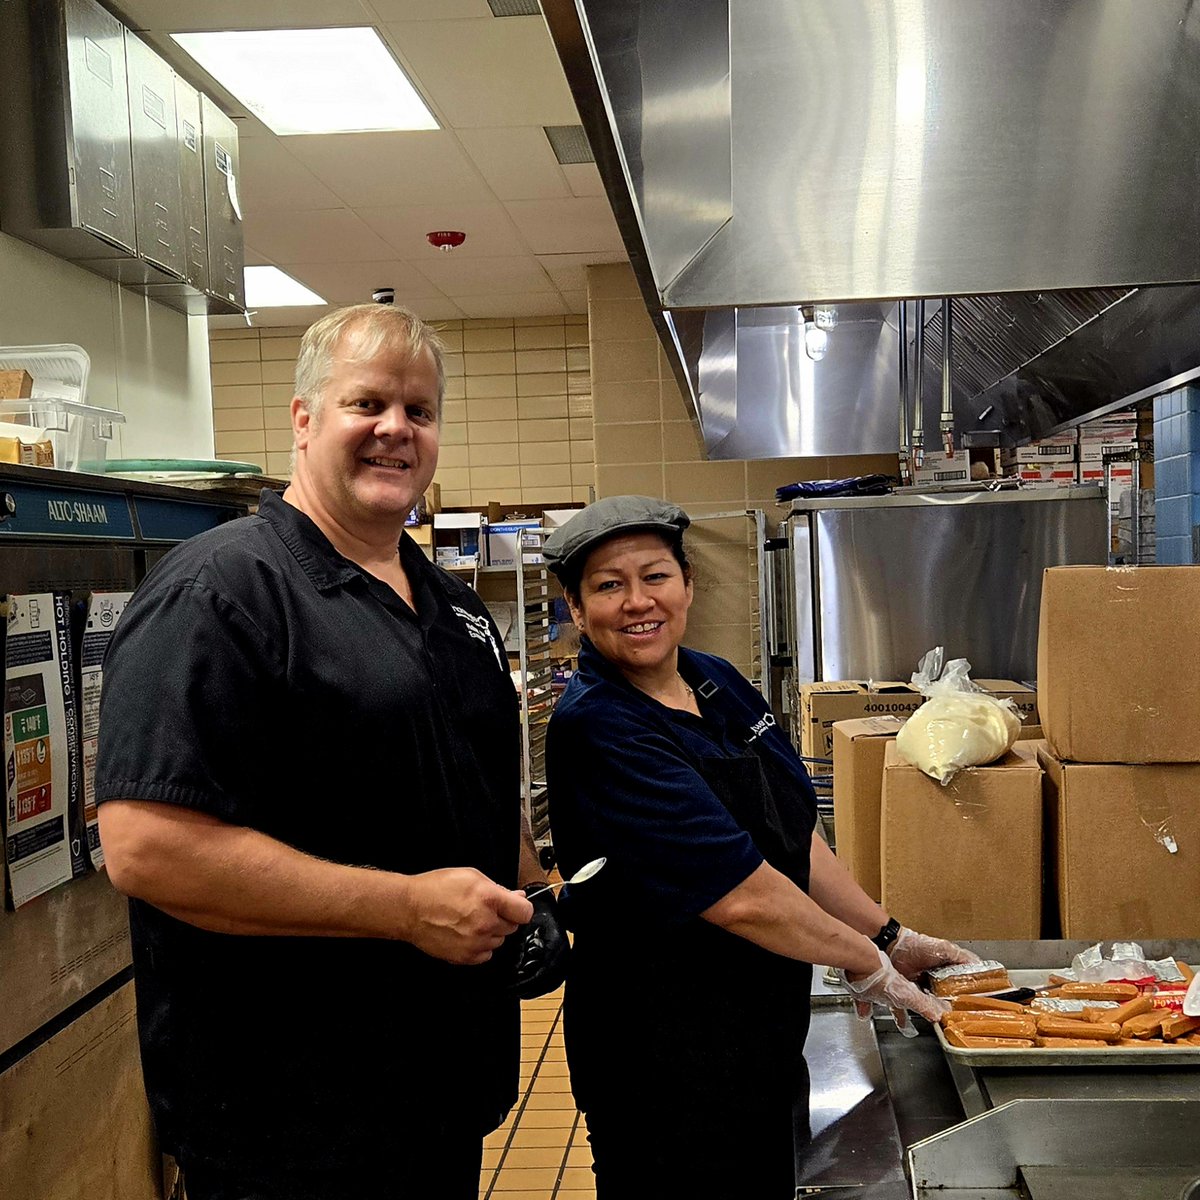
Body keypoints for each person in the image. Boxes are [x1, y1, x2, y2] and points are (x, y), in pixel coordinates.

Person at [95, 304, 568, 1200]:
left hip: (435, 1096)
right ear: (304, 418)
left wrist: (530, 891)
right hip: (292, 1123)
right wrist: (403, 909)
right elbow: (147, 846)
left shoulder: (453, 608)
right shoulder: (221, 593)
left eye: (419, 412)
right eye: (368, 404)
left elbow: (460, 779)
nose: (396, 430)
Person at [542, 495, 976, 1200]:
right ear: (577, 605)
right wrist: (863, 960)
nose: (636, 602)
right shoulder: (599, 727)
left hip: (756, 1038)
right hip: (661, 1063)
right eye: (607, 585)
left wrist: (888, 933)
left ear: (686, 583)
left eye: (655, 576)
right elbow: (741, 895)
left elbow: (790, 832)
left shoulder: (717, 683)